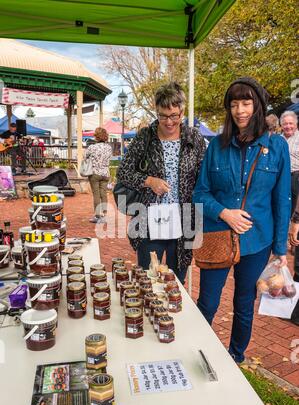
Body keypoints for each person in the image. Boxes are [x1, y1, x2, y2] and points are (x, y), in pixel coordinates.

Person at [193, 77, 291, 364]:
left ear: (258, 105)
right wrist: (224, 213)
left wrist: (280, 249)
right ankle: (197, 352)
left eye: (246, 103)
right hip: (217, 237)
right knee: (208, 303)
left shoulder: (277, 147)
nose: (240, 110)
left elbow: (282, 199)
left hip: (257, 240)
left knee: (244, 303)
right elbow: (200, 192)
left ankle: (235, 356)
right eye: (234, 104)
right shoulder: (216, 147)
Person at [116, 82, 206, 283]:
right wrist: (148, 180)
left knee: (176, 283)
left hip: (184, 221)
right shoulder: (144, 137)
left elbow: (204, 179)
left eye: (174, 115)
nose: (169, 122)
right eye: (163, 115)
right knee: (148, 280)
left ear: (182, 112)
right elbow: (123, 172)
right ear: (156, 111)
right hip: (149, 221)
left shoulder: (195, 138)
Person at [86, 127, 112, 223]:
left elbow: (86, 156)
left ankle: (97, 216)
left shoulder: (92, 147)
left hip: (95, 173)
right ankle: (105, 215)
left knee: (96, 194)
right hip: (105, 173)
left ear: (96, 137)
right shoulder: (109, 147)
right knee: (103, 194)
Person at [280, 111, 299, 215]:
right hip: (281, 177)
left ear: (296, 124)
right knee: (283, 204)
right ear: (281, 125)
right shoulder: (278, 139)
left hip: (295, 177)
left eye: (291, 123)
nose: (288, 126)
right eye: (285, 123)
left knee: (295, 209)